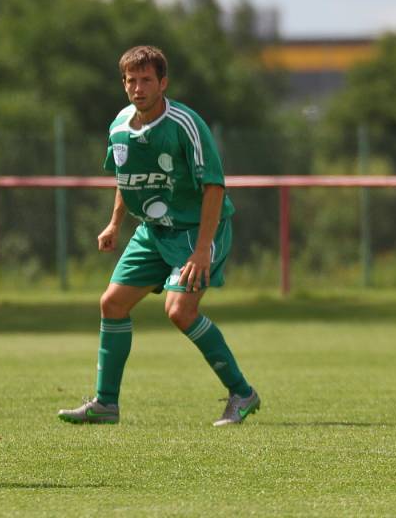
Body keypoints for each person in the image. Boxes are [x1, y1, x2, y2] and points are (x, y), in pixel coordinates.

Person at [58, 45, 260, 427]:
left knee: (179, 310)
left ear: (163, 83)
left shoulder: (185, 124)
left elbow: (214, 186)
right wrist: (115, 223)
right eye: (131, 80)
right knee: (112, 303)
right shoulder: (119, 126)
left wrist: (202, 250)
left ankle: (242, 392)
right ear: (124, 84)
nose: (138, 87)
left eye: (146, 79)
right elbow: (126, 177)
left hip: (196, 229)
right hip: (153, 232)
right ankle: (106, 404)